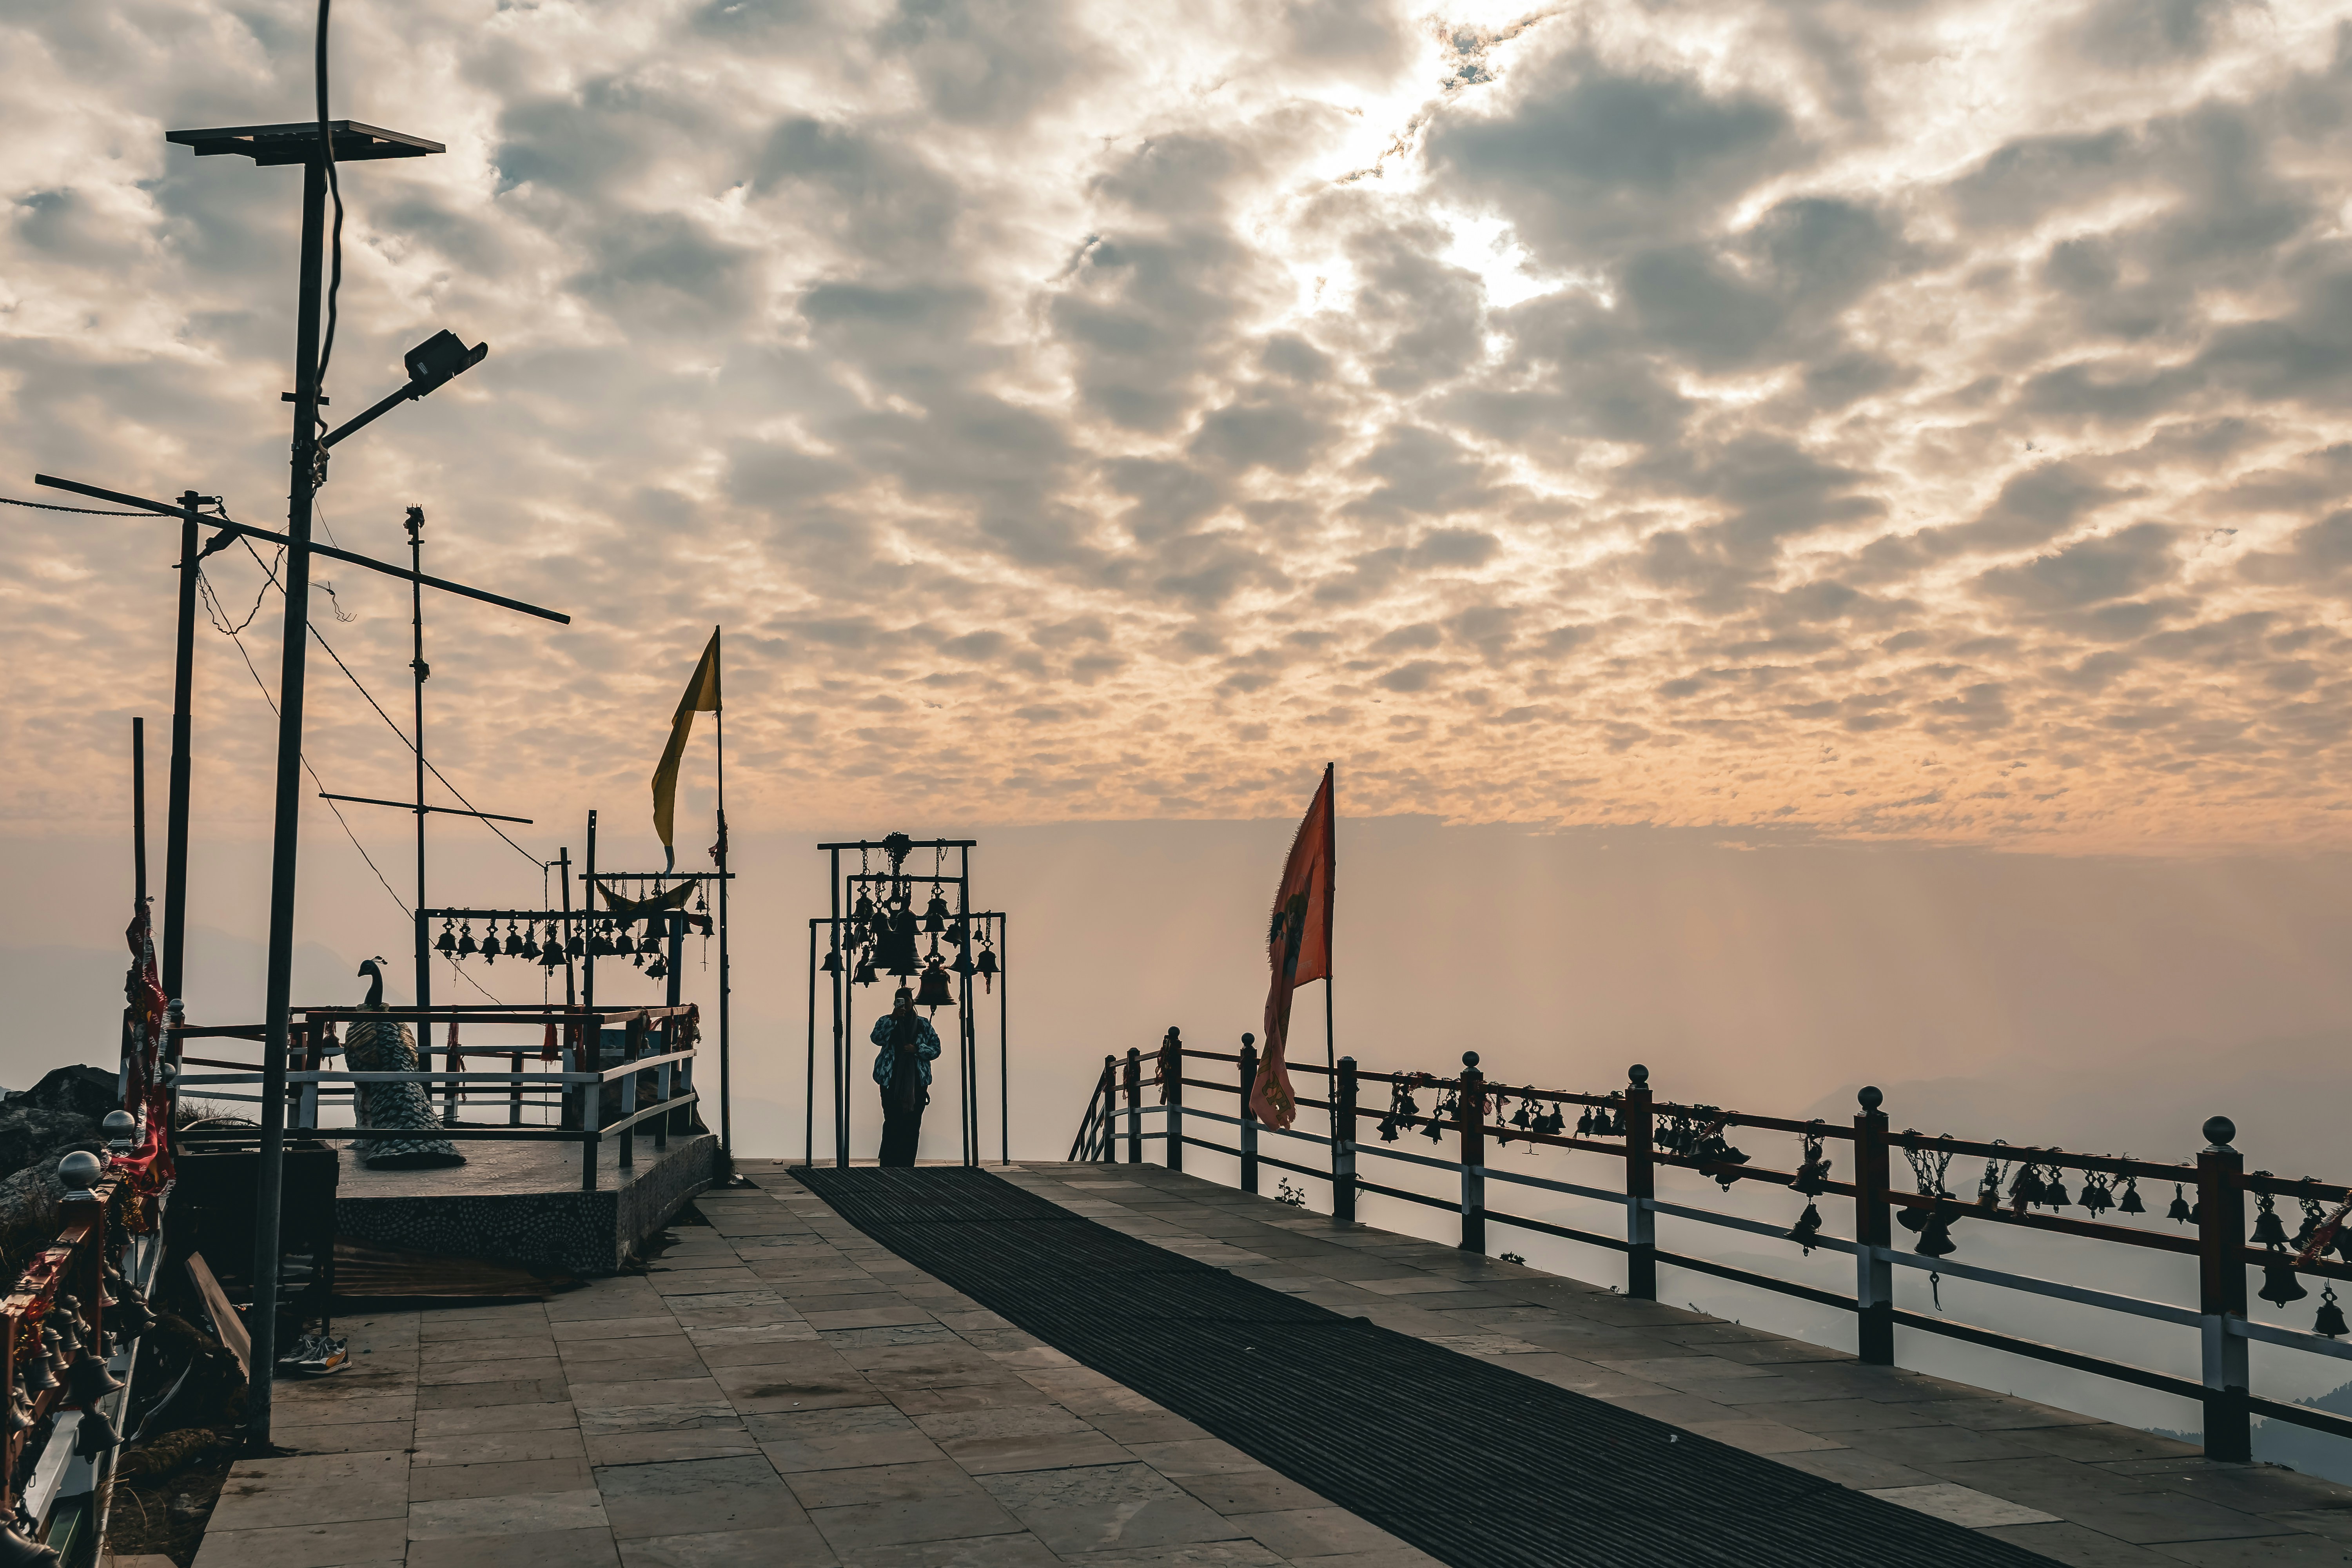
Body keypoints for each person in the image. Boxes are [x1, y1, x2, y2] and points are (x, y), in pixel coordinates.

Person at [871, 985, 941, 1166]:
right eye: (899, 1001)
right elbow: (876, 1039)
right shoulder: (886, 1021)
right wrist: (892, 1020)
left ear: (912, 1002)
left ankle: (907, 1162)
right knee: (892, 1121)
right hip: (890, 1081)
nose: (903, 1004)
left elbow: (936, 1050)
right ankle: (889, 1162)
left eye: (906, 1000)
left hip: (917, 1083)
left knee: (912, 1124)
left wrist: (917, 1049)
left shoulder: (924, 1025)